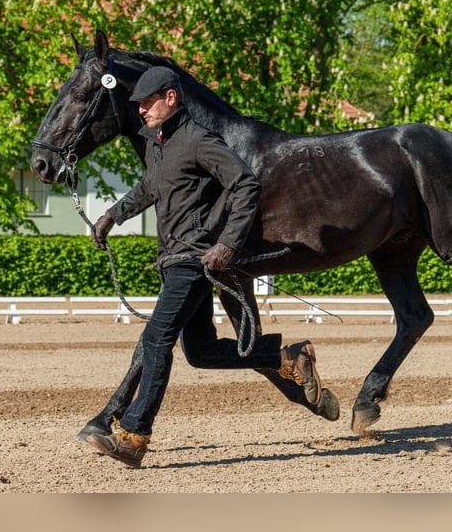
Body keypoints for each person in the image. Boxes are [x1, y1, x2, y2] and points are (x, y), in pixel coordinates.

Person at [87, 65, 325, 468]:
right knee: (201, 352)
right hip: (172, 260)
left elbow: (245, 183)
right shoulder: (160, 145)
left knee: (155, 340)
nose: (141, 111)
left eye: (147, 103)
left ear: (171, 97)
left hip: (194, 260)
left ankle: (133, 434)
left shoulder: (199, 139)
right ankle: (285, 356)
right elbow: (151, 186)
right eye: (139, 105)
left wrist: (228, 243)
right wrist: (113, 214)